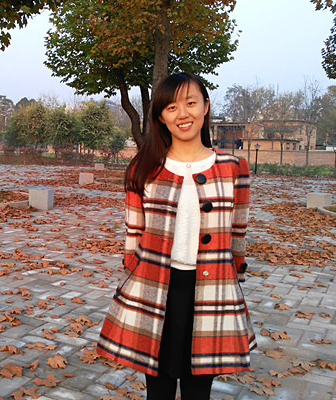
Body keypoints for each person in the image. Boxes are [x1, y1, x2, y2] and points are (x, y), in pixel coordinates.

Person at [96, 72, 256, 400]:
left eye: (191, 103)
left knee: (199, 390)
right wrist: (132, 270)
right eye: (171, 107)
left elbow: (237, 232)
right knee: (158, 388)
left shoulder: (232, 167)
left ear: (205, 107)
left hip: (211, 291)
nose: (183, 113)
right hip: (155, 291)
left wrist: (235, 274)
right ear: (161, 117)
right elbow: (133, 234)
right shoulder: (144, 168)